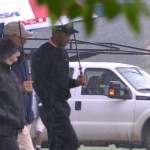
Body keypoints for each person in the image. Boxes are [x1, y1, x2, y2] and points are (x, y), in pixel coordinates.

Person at [31, 23, 87, 150]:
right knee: (70, 142)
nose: (69, 38)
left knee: (57, 144)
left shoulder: (63, 53)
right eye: (67, 35)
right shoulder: (42, 54)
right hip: (51, 107)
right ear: (56, 33)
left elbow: (63, 81)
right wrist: (51, 103)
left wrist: (76, 82)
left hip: (62, 105)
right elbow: (38, 82)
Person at [3, 22, 35, 150]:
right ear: (12, 37)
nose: (26, 40)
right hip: (12, 119)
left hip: (22, 118)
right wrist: (20, 88)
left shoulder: (20, 58)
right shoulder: (6, 61)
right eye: (22, 37)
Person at [0, 38, 25, 150]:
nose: (18, 53)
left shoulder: (10, 73)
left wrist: (23, 89)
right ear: (7, 52)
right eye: (15, 50)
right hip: (3, 130)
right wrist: (7, 116)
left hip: (12, 129)